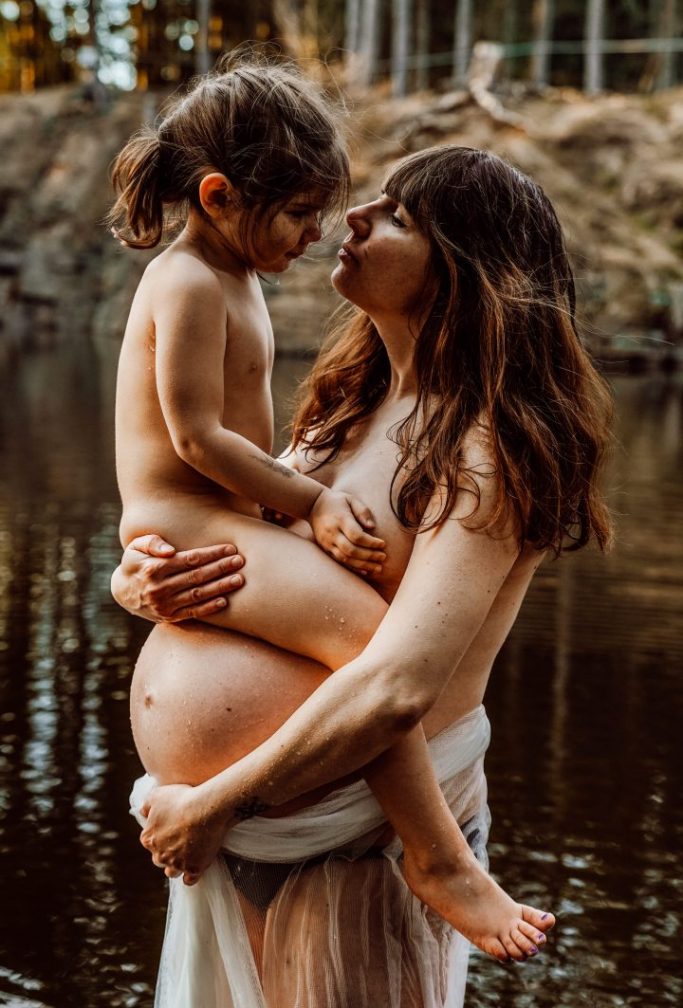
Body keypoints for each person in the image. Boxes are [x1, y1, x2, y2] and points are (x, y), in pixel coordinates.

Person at [115, 144, 612, 1008]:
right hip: (249, 826)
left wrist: (218, 803)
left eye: (397, 215)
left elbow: (397, 682)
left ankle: (442, 863)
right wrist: (139, 582)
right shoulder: (342, 411)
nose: (354, 217)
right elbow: (237, 553)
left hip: (356, 840)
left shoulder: (487, 444)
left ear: (462, 266)